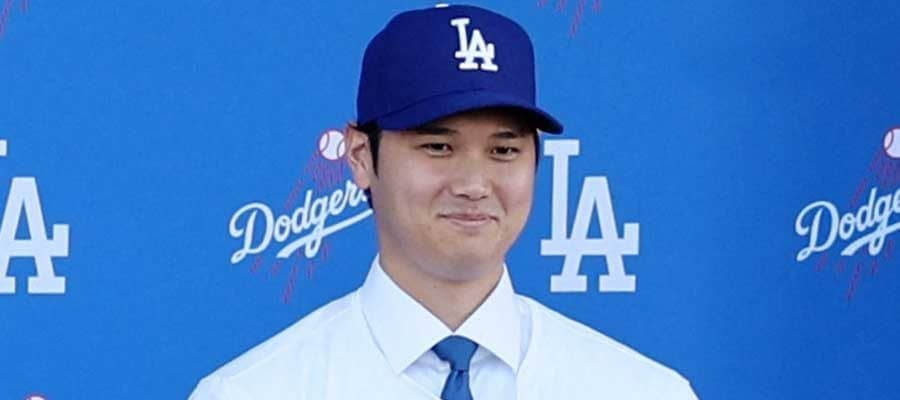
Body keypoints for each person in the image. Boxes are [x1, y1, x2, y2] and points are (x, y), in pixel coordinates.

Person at [189, 4, 698, 399]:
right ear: (361, 156)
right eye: (438, 147)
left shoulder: (641, 391)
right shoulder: (254, 391)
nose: (474, 184)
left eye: (503, 150)